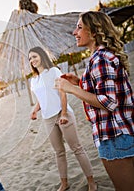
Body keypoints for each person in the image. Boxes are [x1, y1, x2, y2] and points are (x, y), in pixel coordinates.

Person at [55, 11, 134, 190]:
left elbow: (108, 102)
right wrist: (81, 82)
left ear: (94, 32)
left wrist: (71, 89)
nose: (75, 32)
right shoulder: (104, 56)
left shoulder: (99, 59)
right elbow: (108, 91)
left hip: (114, 136)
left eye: (79, 27)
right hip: (124, 131)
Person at [28, 46, 97, 191]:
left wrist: (64, 113)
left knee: (76, 148)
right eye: (30, 58)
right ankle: (64, 183)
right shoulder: (33, 80)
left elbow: (62, 93)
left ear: (41, 56)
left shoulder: (54, 71)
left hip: (62, 113)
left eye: (34, 56)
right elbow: (42, 99)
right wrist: (34, 110)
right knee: (58, 152)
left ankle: (91, 181)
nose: (32, 60)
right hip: (47, 119)